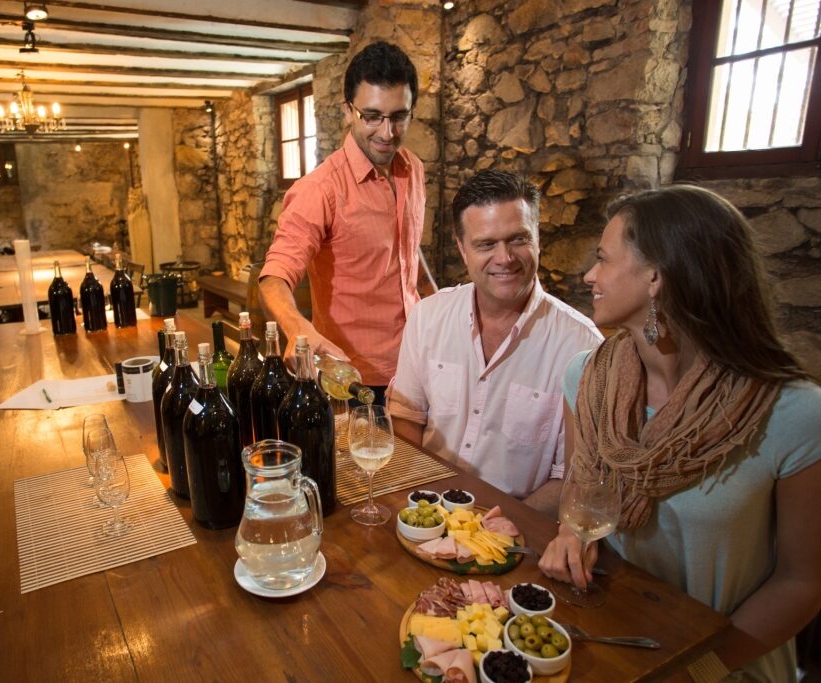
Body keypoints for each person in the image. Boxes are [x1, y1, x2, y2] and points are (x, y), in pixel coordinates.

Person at [538, 185, 821, 683]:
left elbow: (802, 582)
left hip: (727, 662)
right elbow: (581, 495)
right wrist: (568, 534)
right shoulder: (587, 378)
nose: (589, 276)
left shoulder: (792, 413)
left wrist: (698, 667)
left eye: (603, 259)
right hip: (616, 640)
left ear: (655, 277)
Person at [387, 170, 602, 514]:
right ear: (462, 249)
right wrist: (424, 500)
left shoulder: (582, 345)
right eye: (486, 244)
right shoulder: (427, 317)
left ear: (538, 239)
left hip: (519, 528)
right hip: (428, 510)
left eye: (518, 239)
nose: (505, 258)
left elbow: (573, 477)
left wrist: (497, 527)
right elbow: (407, 417)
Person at [258, 40, 428, 403]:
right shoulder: (320, 189)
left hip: (418, 363)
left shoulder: (413, 169)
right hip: (353, 379)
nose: (387, 132)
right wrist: (296, 326)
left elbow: (410, 262)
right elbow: (274, 277)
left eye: (399, 117)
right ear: (348, 111)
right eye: (371, 116)